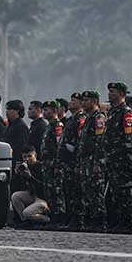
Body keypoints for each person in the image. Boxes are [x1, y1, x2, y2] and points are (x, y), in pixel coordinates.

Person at [103, 82, 132, 232]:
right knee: (115, 191)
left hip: (122, 159)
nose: (110, 94)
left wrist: (128, 159)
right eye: (110, 91)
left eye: (113, 92)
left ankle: (128, 222)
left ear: (122, 94)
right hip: (112, 158)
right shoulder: (112, 112)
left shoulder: (126, 111)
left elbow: (128, 136)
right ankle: (118, 220)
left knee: (124, 191)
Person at [77, 91, 107, 231]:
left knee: (96, 192)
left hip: (94, 161)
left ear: (94, 101)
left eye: (86, 100)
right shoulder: (88, 118)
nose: (83, 103)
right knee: (87, 192)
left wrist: (97, 162)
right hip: (85, 162)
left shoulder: (98, 118)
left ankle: (99, 221)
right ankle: (89, 220)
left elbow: (100, 142)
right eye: (83, 100)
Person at [58, 92, 86, 229]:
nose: (70, 103)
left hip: (74, 161)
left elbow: (80, 140)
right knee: (68, 191)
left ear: (81, 104)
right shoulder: (70, 119)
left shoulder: (81, 118)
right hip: (66, 162)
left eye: (74, 100)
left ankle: (77, 220)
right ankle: (70, 218)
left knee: (75, 191)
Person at [12, 146, 50, 229]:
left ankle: (48, 220)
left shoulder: (42, 167)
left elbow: (44, 187)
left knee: (26, 213)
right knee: (15, 196)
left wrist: (30, 177)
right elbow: (16, 188)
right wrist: (17, 175)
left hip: (43, 198)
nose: (27, 159)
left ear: (35, 155)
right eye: (24, 157)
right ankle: (25, 222)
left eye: (29, 156)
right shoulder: (24, 168)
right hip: (32, 195)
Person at [40, 100, 65, 225]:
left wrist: (57, 164)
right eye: (43, 110)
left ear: (55, 111)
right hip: (46, 165)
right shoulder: (48, 126)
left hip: (54, 165)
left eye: (47, 110)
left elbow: (59, 146)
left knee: (56, 192)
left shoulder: (57, 126)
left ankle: (59, 218)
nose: (44, 112)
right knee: (49, 193)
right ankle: (52, 218)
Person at [3, 100, 31, 194]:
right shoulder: (11, 125)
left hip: (16, 162)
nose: (6, 112)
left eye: (9, 109)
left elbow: (22, 146)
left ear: (17, 111)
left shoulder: (21, 126)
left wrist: (18, 164)